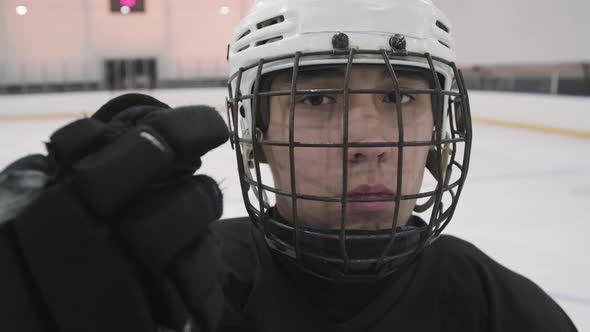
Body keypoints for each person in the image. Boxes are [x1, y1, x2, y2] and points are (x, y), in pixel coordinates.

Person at [0, 0, 578, 331]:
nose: (370, 141)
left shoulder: (505, 314)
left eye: (401, 97)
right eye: (318, 99)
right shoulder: (169, 290)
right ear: (259, 135)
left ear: (437, 131)